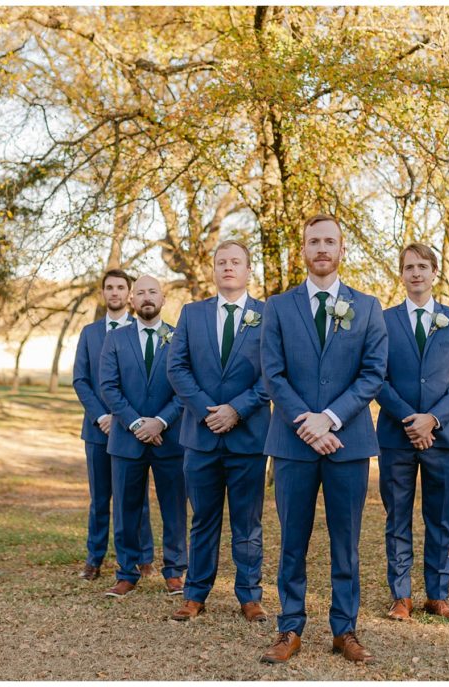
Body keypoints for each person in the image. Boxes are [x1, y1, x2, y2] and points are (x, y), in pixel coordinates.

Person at [259, 214, 387, 665]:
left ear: (342, 249)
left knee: (346, 541)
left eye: (329, 241)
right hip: (292, 444)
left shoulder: (367, 307)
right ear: (303, 249)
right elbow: (272, 372)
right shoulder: (277, 306)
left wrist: (329, 418)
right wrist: (305, 422)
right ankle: (289, 627)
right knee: (292, 540)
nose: (321, 249)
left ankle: (344, 630)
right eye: (313, 241)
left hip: (348, 442)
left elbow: (373, 373)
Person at [166, 240, 271, 622]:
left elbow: (273, 374)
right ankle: (195, 594)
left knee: (248, 521)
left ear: (248, 271)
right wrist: (207, 410)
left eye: (236, 262)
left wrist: (236, 410)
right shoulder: (191, 314)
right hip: (201, 435)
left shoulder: (266, 314)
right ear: (213, 270)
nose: (228, 267)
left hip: (248, 436)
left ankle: (249, 595)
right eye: (221, 262)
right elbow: (177, 368)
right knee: (202, 518)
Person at [375, 243, 449, 621]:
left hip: (445, 437)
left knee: (441, 517)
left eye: (422, 266)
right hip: (396, 437)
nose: (415, 273)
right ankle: (401, 595)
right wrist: (409, 419)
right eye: (408, 267)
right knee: (397, 517)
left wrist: (432, 419)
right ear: (401, 274)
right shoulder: (383, 320)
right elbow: (377, 378)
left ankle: (438, 592)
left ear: (435, 272)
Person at [99, 275, 187, 597]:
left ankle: (175, 572)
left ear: (163, 299)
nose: (146, 297)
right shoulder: (116, 340)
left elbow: (185, 387)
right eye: (140, 293)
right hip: (126, 439)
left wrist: (160, 422)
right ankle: (126, 572)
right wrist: (137, 424)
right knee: (126, 509)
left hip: (171, 438)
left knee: (174, 508)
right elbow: (108, 387)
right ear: (132, 301)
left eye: (153, 292)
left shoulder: (179, 337)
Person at [71, 268, 155, 581]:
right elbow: (80, 380)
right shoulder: (90, 333)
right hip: (98, 429)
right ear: (103, 293)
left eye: (121, 287)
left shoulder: (145, 330)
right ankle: (95, 558)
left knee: (137, 497)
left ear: (130, 294)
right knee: (100, 497)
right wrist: (102, 416)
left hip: (134, 430)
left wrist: (128, 420)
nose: (115, 292)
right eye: (110, 287)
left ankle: (143, 557)